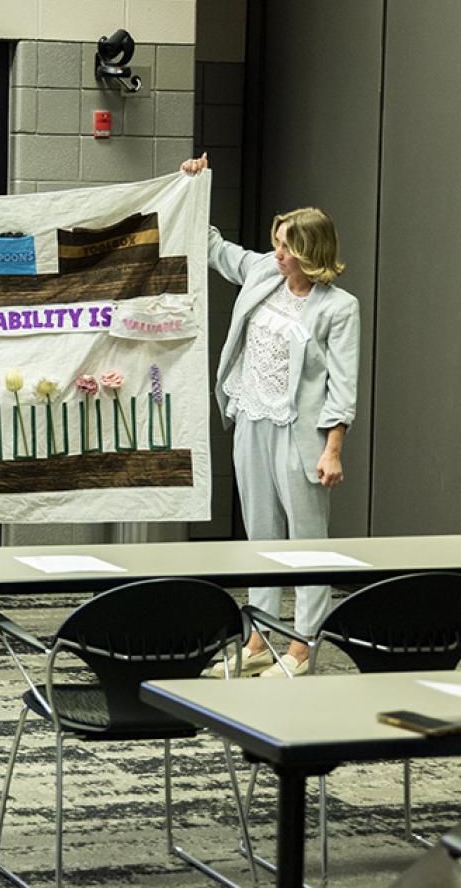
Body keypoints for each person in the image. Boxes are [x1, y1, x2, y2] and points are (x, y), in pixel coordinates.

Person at [183, 153, 359, 678]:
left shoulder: (338, 307)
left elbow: (342, 384)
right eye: (276, 242)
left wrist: (333, 448)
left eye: (284, 245)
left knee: (306, 543)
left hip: (301, 433)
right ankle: (259, 637)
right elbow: (213, 249)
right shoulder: (262, 272)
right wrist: (194, 186)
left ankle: (302, 646)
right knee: (260, 537)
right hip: (251, 420)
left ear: (308, 252)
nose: (276, 252)